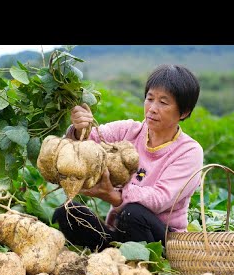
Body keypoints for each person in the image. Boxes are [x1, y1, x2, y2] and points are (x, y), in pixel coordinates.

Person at [52, 64, 203, 251]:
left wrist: (114, 197)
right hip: (120, 231)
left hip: (163, 241)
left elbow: (159, 199)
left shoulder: (189, 151)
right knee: (68, 212)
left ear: (184, 112)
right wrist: (79, 129)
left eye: (163, 103)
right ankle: (114, 252)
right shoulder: (128, 130)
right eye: (150, 99)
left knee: (133, 214)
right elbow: (90, 142)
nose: (152, 109)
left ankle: (137, 259)